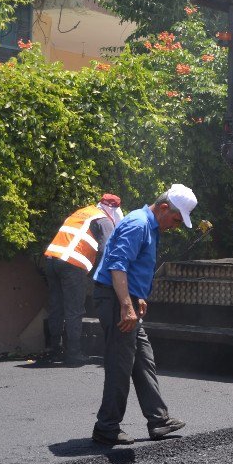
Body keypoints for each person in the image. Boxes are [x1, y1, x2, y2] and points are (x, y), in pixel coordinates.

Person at [90, 184, 197, 445]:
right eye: (176, 218)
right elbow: (117, 265)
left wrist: (136, 296)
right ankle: (107, 427)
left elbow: (133, 265)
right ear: (163, 208)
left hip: (125, 300)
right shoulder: (138, 225)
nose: (177, 225)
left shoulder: (151, 226)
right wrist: (126, 304)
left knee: (143, 359)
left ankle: (158, 420)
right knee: (120, 363)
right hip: (116, 301)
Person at [43, 193, 123, 366]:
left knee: (56, 307)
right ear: (114, 210)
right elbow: (106, 249)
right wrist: (106, 276)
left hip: (51, 261)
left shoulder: (83, 212)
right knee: (74, 310)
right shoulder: (104, 220)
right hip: (72, 264)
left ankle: (53, 350)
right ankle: (73, 354)